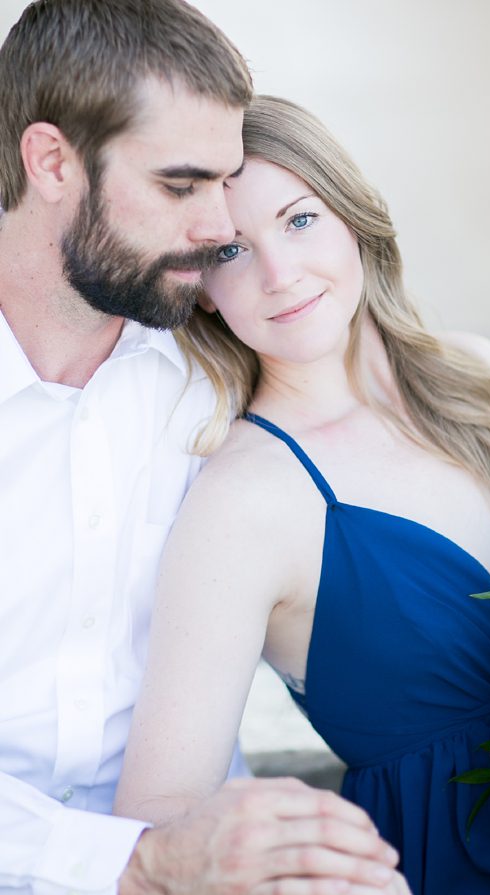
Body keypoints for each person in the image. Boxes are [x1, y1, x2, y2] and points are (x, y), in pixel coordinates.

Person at [112, 95, 490, 895]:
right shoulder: (245, 502)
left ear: (353, 217)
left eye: (299, 221)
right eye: (232, 250)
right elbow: (159, 813)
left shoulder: (472, 373)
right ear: (202, 289)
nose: (280, 274)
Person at [0, 2, 407, 893]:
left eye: (225, 182)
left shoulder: (215, 363)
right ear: (52, 160)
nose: (219, 226)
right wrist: (137, 863)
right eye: (182, 186)